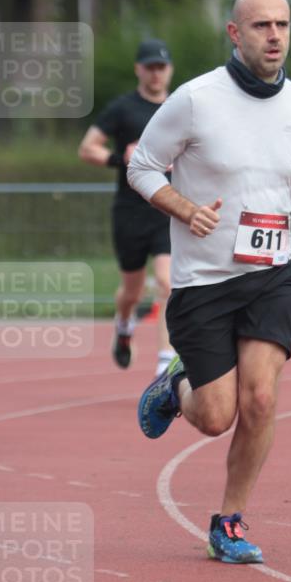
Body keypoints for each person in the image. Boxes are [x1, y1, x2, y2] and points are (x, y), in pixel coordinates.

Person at [127, 0, 291, 565]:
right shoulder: (195, 100)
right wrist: (184, 208)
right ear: (235, 33)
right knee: (216, 415)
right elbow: (142, 167)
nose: (274, 36)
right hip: (202, 283)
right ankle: (177, 386)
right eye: (261, 26)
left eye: (282, 25)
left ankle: (228, 522)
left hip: (271, 275)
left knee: (262, 398)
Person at [78, 39, 176, 377]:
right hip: (129, 211)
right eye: (149, 67)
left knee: (167, 282)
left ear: (170, 70)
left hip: (166, 208)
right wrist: (120, 159)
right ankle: (123, 326)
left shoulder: (179, 108)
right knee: (132, 290)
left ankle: (165, 363)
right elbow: (87, 147)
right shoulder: (123, 109)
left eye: (160, 67)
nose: (155, 73)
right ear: (139, 69)